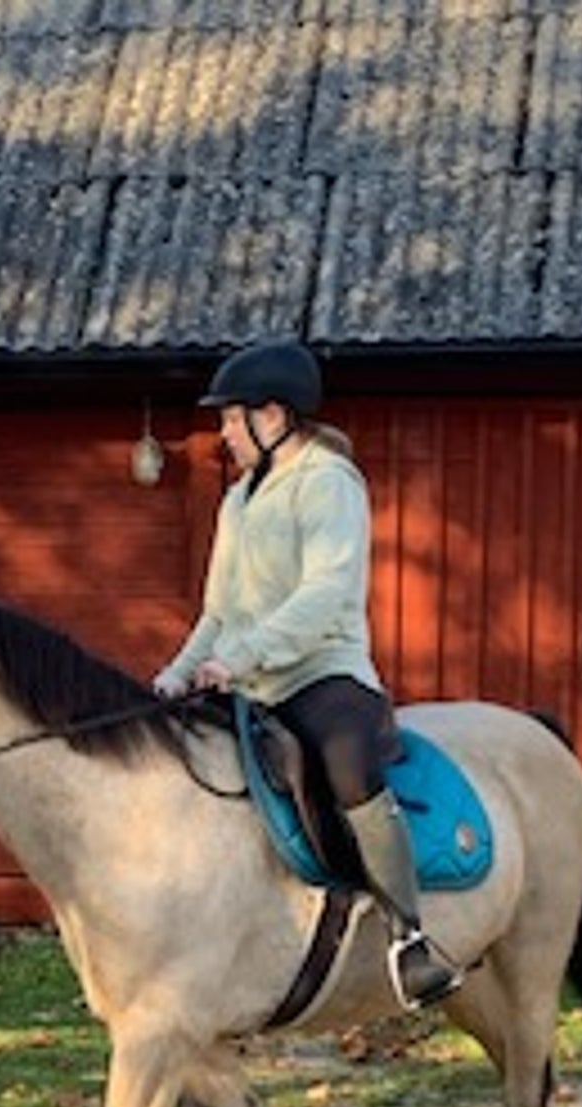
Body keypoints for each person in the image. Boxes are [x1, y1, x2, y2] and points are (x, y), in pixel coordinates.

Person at [154, 338, 461, 1011]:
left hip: (323, 674)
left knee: (351, 774)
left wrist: (240, 657)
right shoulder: (239, 499)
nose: (223, 432)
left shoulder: (328, 482)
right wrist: (175, 675)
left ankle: (410, 938)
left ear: (274, 416)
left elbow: (325, 595)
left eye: (232, 419)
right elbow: (218, 608)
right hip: (250, 679)